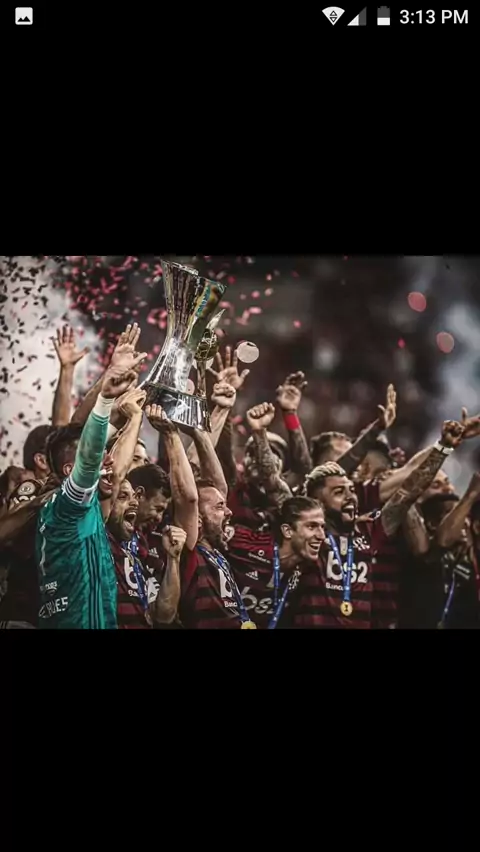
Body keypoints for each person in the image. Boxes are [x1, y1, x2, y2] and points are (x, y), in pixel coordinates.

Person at [297, 419, 465, 628]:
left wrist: (443, 448)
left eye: (351, 490)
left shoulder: (368, 531)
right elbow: (295, 473)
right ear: (318, 502)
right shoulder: (305, 533)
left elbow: (407, 492)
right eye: (339, 492)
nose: (350, 497)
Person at [35, 336, 147, 629]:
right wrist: (104, 401)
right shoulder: (67, 506)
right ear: (70, 470)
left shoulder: (84, 507)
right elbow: (88, 456)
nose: (107, 460)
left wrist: (129, 413)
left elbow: (108, 462)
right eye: (100, 456)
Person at [106, 477, 187, 628]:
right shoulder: (100, 536)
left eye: (135, 497)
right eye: (122, 496)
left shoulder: (139, 545)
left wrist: (173, 558)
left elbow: (164, 615)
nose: (135, 502)